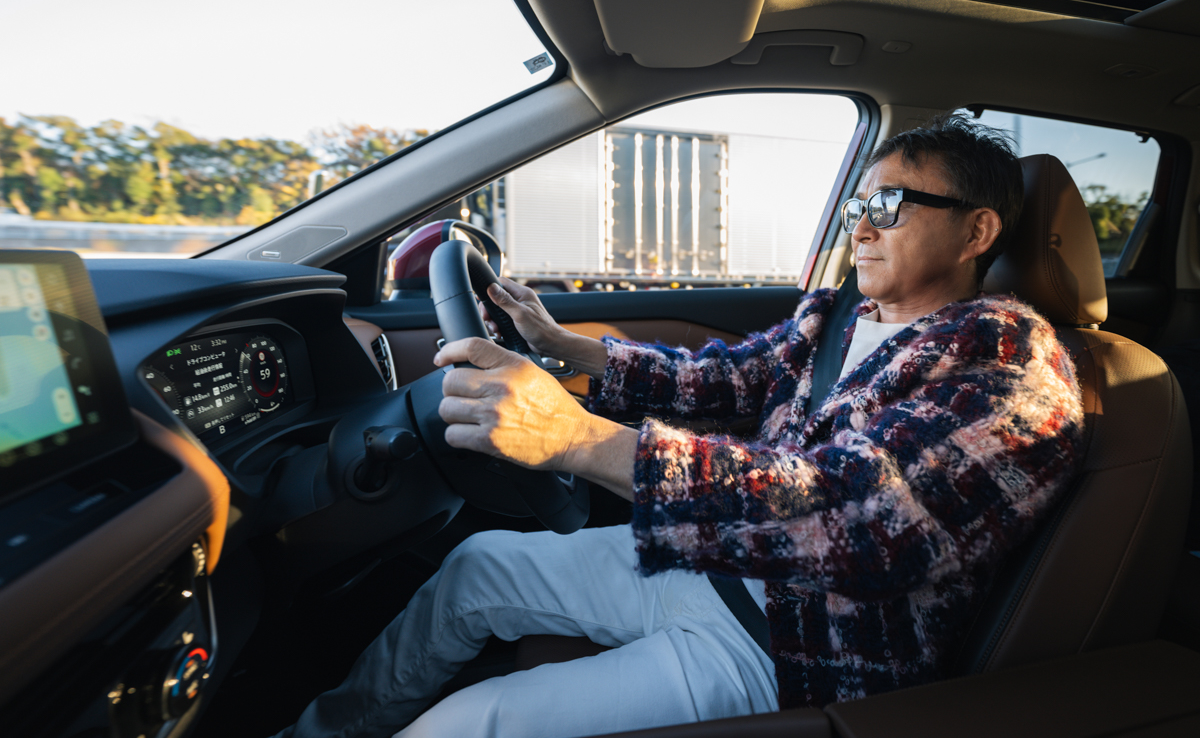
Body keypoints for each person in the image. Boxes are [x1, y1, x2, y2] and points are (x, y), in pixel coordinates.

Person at [276, 114, 1084, 738]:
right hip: (712, 561)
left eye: (889, 205)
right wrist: (567, 347)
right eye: (857, 205)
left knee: (470, 725)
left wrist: (581, 440)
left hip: (798, 645)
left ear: (977, 231)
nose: (862, 226)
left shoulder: (1013, 372)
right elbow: (729, 378)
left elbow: (862, 519)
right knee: (477, 564)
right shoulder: (840, 316)